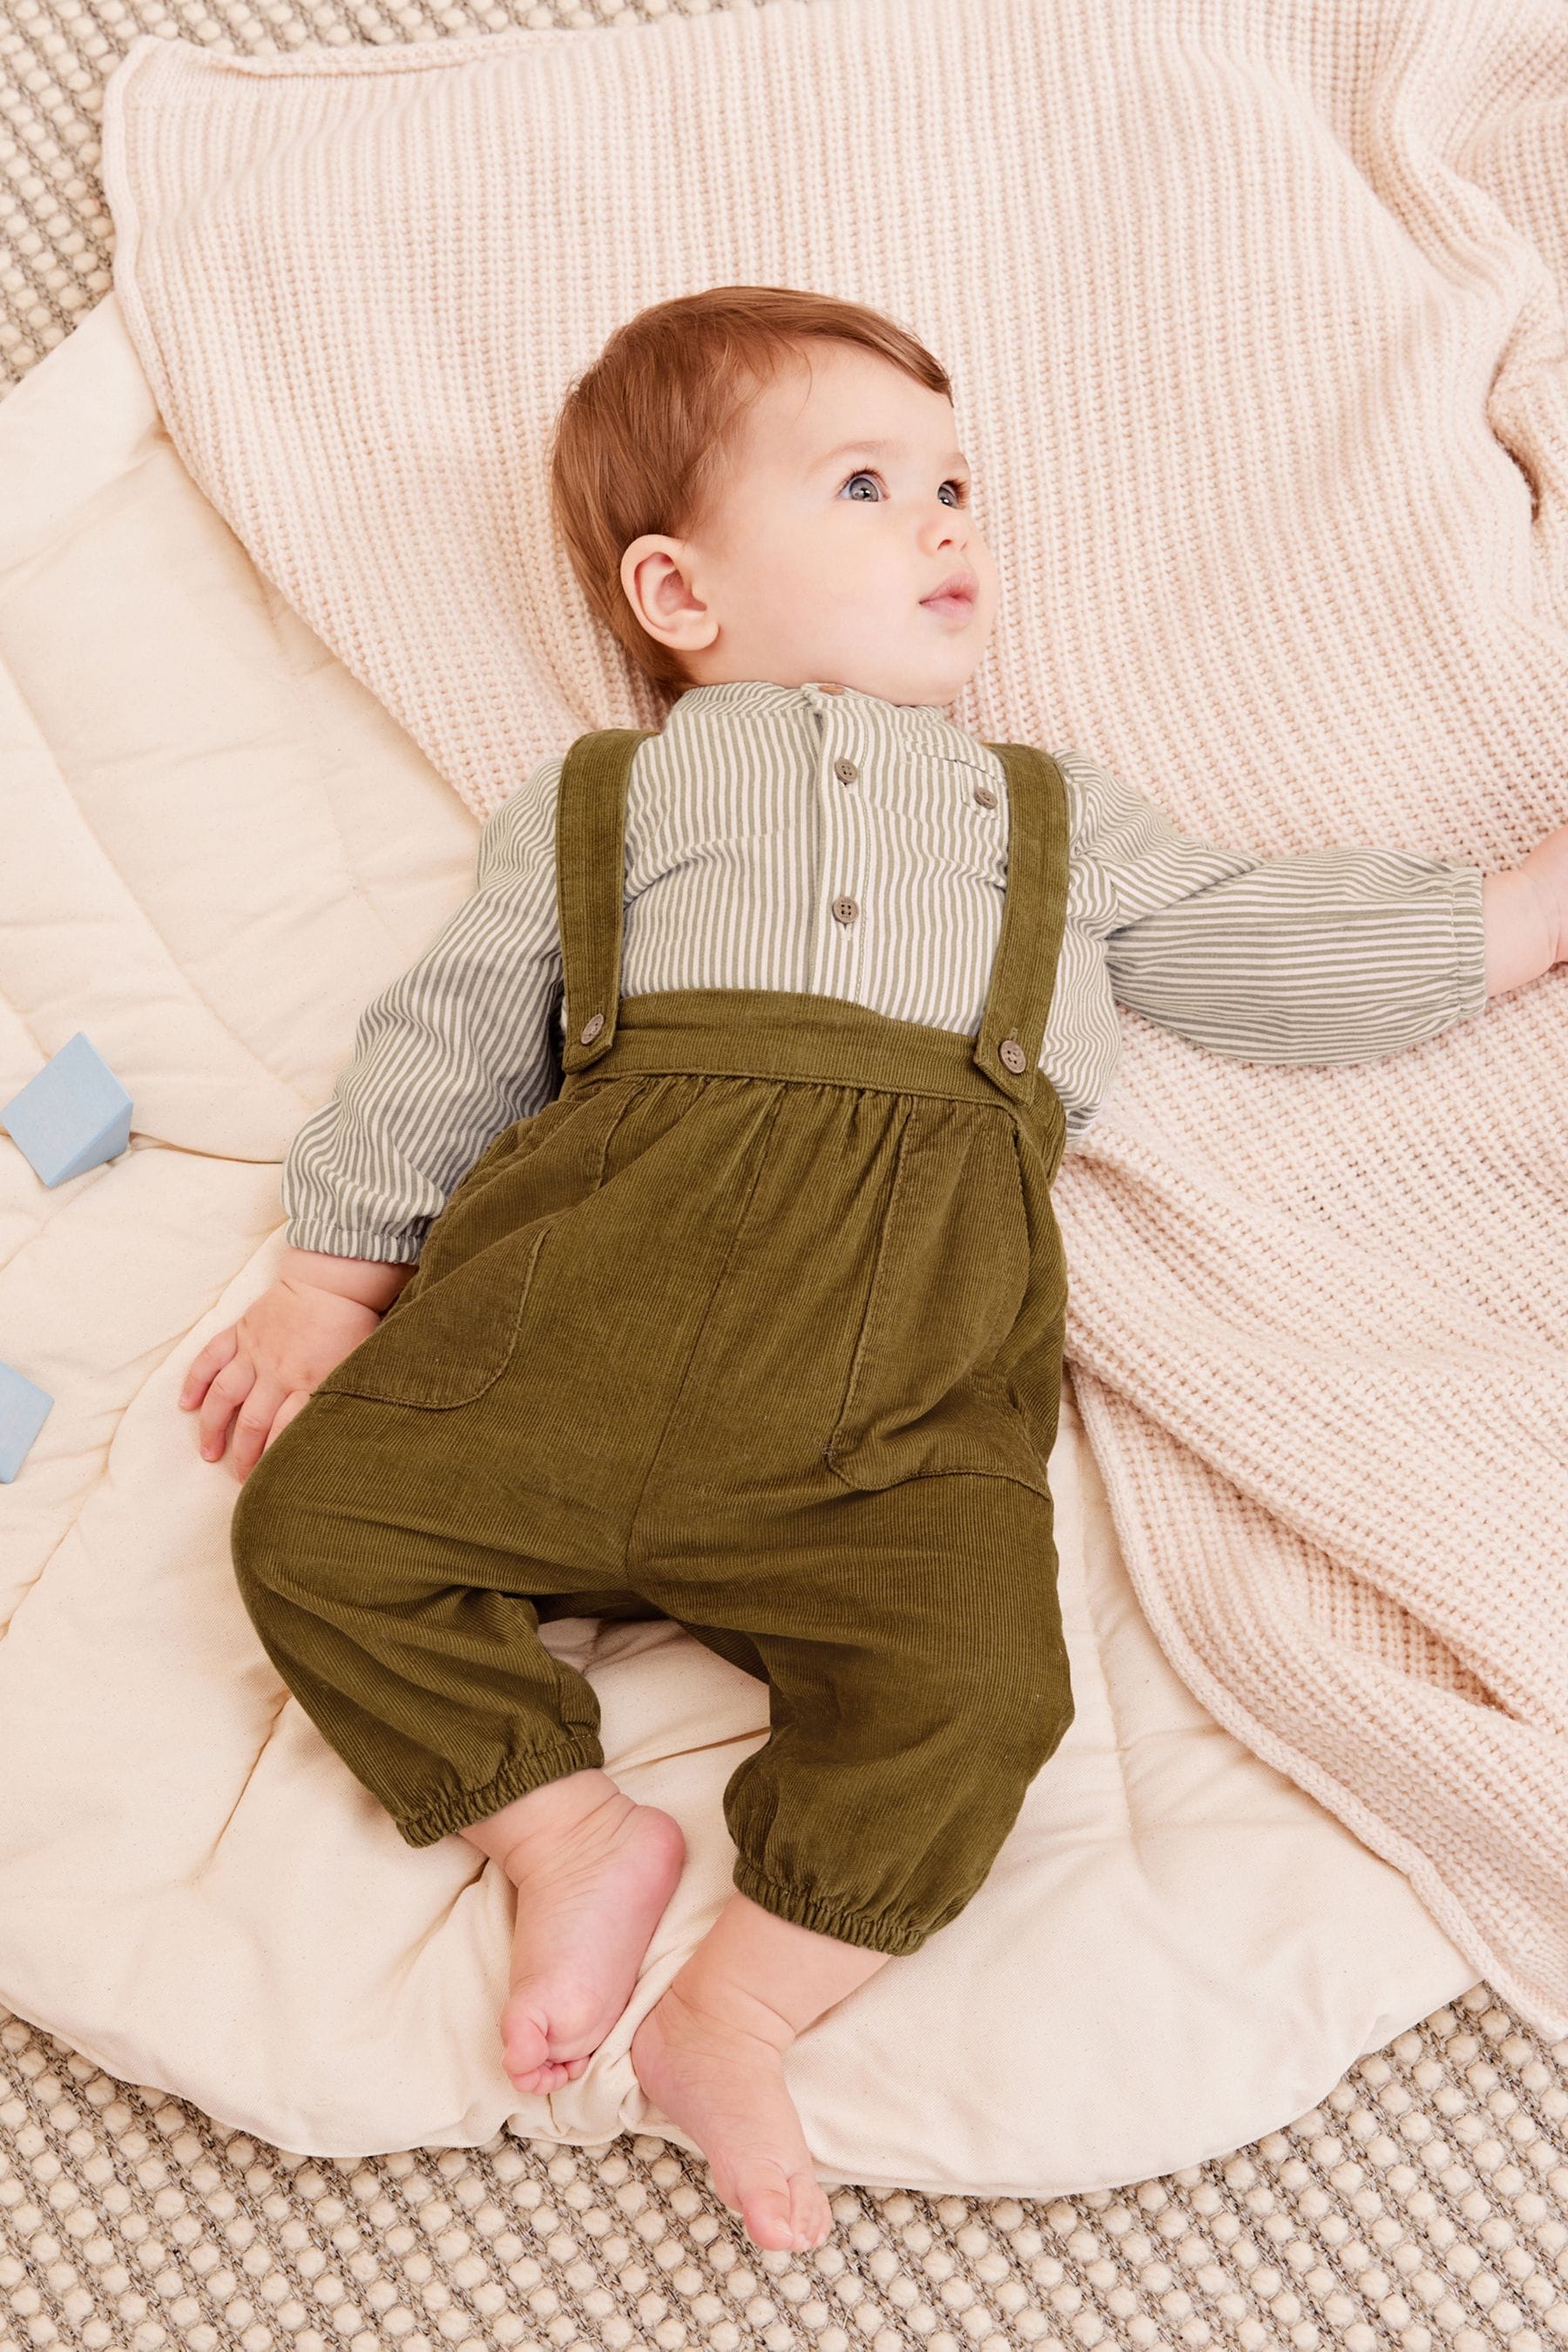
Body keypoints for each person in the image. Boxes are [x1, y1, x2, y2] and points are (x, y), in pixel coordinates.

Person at [179, 286, 1567, 2257]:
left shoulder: (1052, 818)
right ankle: (564, 1831)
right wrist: (332, 1277)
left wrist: (1512, 921)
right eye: (867, 484)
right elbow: (451, 1033)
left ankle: (738, 2006)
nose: (947, 527)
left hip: (885, 1397)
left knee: (982, 1688)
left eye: (956, 487)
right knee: (312, 1532)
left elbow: (1254, 944)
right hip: (572, 1320)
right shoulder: (608, 796)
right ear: (680, 591)